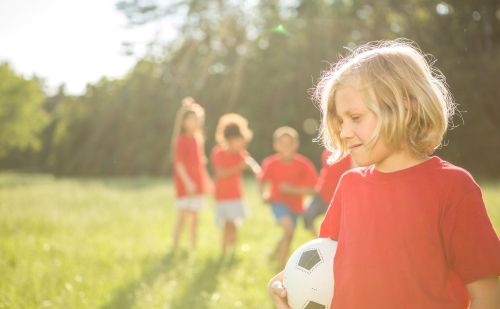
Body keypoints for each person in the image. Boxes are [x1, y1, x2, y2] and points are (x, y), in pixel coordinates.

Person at [269, 40, 500, 309]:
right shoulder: (349, 185)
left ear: (404, 108)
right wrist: (282, 285)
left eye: (355, 117)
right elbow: (326, 261)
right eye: (340, 121)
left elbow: (488, 292)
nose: (344, 132)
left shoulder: (454, 187)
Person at [259, 126, 318, 268]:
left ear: (296, 144)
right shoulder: (270, 163)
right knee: (289, 229)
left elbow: (314, 190)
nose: (286, 146)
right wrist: (263, 194)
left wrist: (293, 190)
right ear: (275, 145)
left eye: (289, 143)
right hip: (278, 202)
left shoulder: (303, 164)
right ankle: (281, 267)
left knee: (289, 235)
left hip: (296, 206)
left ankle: (274, 255)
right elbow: (262, 181)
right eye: (282, 143)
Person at [211, 113, 260, 257]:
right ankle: (225, 251)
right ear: (230, 140)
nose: (242, 143)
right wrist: (240, 167)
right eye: (239, 140)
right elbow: (221, 173)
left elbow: (253, 165)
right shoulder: (218, 153)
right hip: (223, 196)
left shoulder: (241, 153)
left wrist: (258, 173)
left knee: (234, 224)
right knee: (228, 224)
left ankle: (233, 251)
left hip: (236, 195)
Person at [171, 97, 210, 251]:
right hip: (185, 184)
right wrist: (187, 182)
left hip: (197, 182)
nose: (194, 122)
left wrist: (206, 181)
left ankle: (193, 246)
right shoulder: (181, 140)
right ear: (183, 122)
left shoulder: (197, 139)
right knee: (182, 216)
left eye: (197, 119)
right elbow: (179, 164)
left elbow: (201, 163)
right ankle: (175, 245)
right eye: (191, 119)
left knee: (195, 217)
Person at [303, 151, 353, 236]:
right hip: (321, 194)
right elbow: (325, 171)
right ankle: (317, 239)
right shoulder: (326, 152)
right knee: (307, 215)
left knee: (333, 226)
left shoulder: (349, 154)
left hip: (335, 197)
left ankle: (331, 243)